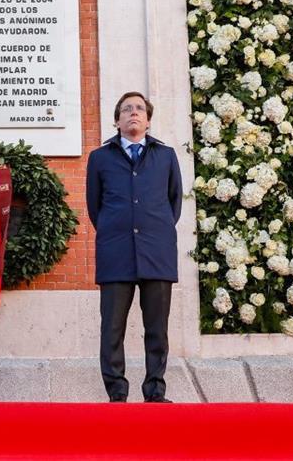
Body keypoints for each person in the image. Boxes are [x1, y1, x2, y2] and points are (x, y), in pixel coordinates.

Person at [85, 91, 183, 403]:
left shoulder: (166, 156)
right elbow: (94, 207)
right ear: (117, 120)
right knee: (112, 329)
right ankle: (117, 393)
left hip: (157, 251)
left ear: (148, 120)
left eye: (139, 109)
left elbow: (174, 202)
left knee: (157, 329)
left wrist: (156, 227)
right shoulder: (100, 158)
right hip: (116, 252)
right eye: (126, 109)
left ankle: (155, 391)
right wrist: (118, 228)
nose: (133, 113)